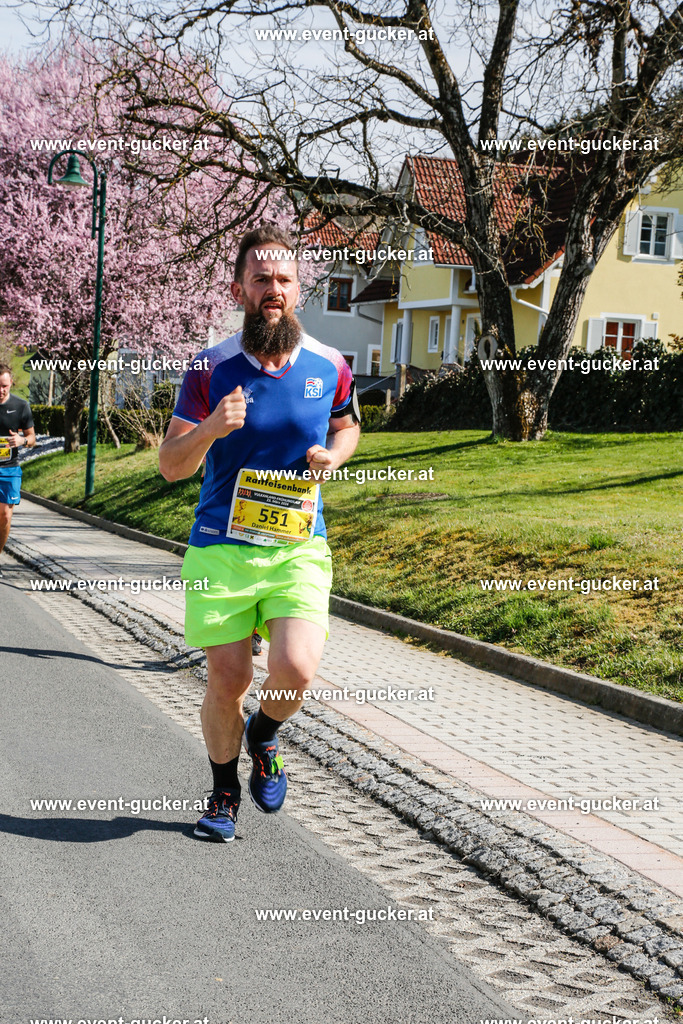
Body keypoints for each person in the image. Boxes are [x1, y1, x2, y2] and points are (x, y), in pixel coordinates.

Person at [159, 225, 361, 842]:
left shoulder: (330, 364)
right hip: (221, 547)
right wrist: (211, 428)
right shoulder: (210, 368)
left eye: (284, 280)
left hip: (297, 545)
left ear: (298, 289)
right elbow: (171, 465)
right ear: (239, 287)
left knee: (296, 670)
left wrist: (335, 454)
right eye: (261, 279)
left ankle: (265, 733)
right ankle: (223, 792)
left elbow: (348, 428)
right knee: (228, 680)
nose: (273, 290)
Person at [0, 363, 36, 575]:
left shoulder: (21, 406)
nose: (1, 390)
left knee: (5, 516)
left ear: (11, 383)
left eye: (4, 385)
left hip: (9, 469)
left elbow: (32, 438)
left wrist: (22, 440)